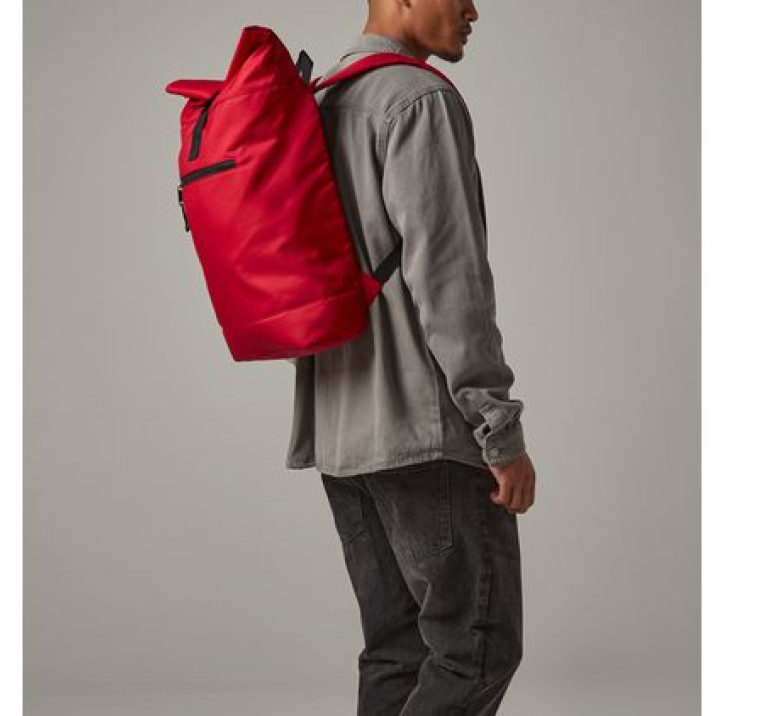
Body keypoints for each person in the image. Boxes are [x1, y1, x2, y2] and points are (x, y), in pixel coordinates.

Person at [285, 1, 537, 713]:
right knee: (474, 651)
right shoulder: (417, 100)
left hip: (340, 435)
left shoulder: (321, 99)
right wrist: (497, 428)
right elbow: (451, 282)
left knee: (397, 651)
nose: (473, 9)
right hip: (424, 433)